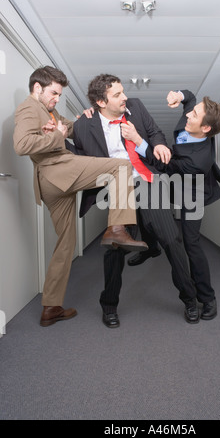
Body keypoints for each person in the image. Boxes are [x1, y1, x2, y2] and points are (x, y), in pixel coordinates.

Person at [13, 66, 147, 327]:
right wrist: (57, 138)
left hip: (53, 183)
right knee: (121, 166)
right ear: (37, 88)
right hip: (57, 170)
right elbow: (22, 145)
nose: (57, 98)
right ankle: (118, 229)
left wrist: (86, 119)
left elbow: (69, 128)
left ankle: (51, 307)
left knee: (65, 243)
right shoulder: (29, 108)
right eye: (54, 93)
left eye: (59, 94)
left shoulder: (49, 109)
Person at [73, 74, 199, 328]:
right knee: (115, 248)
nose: (124, 97)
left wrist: (158, 145)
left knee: (172, 240)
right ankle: (109, 305)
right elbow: (79, 155)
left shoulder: (136, 107)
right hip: (118, 187)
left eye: (123, 91)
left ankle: (190, 300)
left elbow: (155, 132)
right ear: (100, 102)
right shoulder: (84, 125)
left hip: (147, 180)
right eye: (117, 94)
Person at [121, 89, 220, 320]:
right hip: (174, 180)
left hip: (193, 191)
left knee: (191, 244)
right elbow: (189, 97)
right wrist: (180, 95)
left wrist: (138, 140)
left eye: (194, 115)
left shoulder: (198, 161)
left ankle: (207, 297)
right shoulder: (192, 119)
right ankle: (151, 247)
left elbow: (165, 166)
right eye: (191, 112)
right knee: (143, 204)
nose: (188, 115)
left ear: (206, 128)